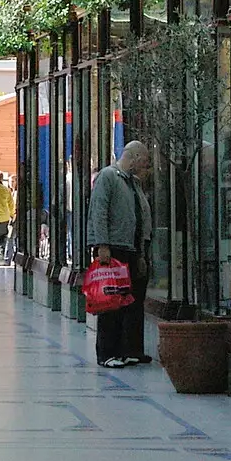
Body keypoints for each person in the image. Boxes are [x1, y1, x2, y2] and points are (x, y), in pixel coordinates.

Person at [86, 141, 153, 369]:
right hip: (114, 248)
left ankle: (131, 349)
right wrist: (102, 244)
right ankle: (107, 352)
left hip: (133, 249)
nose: (146, 166)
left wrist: (142, 251)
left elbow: (140, 217)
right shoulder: (108, 177)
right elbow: (99, 210)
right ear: (133, 157)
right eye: (144, 161)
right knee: (111, 300)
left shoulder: (133, 183)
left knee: (133, 300)